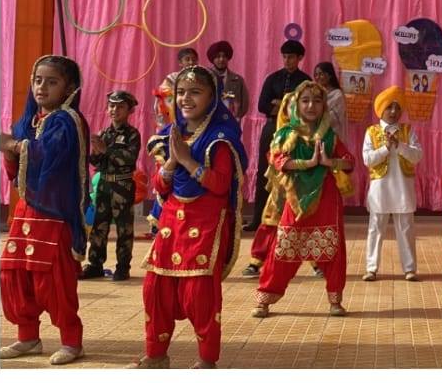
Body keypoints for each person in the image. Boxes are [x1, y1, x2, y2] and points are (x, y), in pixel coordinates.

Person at [135, 65, 247, 368]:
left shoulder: (220, 139)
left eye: (195, 92)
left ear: (212, 97)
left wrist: (187, 160)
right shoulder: (170, 134)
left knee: (199, 295)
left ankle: (207, 361)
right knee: (155, 288)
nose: (185, 99)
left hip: (206, 224)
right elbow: (160, 187)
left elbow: (221, 185)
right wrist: (172, 162)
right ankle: (156, 355)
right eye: (181, 92)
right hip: (171, 223)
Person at [2, 55, 87, 365]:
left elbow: (51, 157)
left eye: (52, 82)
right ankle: (28, 336)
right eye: (38, 80)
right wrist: (11, 152)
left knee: (54, 280)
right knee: (16, 274)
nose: (42, 87)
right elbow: (16, 174)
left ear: (69, 88)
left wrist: (14, 146)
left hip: (54, 212)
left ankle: (71, 341)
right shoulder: (31, 121)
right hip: (26, 211)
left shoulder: (67, 121)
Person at [252, 79, 353, 318]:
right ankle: (264, 298)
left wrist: (329, 162)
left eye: (317, 101)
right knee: (283, 247)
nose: (311, 106)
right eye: (305, 101)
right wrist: (308, 163)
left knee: (333, 249)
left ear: (324, 105)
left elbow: (350, 162)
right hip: (295, 197)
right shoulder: (287, 133)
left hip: (326, 198)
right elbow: (276, 159)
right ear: (296, 105)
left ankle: (335, 300)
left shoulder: (329, 136)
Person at [246, 40, 309, 234]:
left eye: (291, 57)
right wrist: (286, 105)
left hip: (296, 130)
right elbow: (262, 106)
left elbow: (304, 109)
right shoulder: (272, 78)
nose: (287, 60)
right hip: (272, 127)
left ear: (299, 58)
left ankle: (292, 218)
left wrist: (280, 103)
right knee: (264, 170)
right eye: (284, 57)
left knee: (293, 172)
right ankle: (258, 218)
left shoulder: (305, 81)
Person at [362, 85, 421, 282]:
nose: (394, 111)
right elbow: (368, 159)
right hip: (380, 190)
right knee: (375, 228)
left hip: (403, 189)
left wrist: (400, 146)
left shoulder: (407, 130)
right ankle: (371, 268)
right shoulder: (371, 132)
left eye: (397, 107)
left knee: (406, 229)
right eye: (389, 107)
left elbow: (417, 155)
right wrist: (386, 148)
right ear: (381, 109)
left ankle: (410, 269)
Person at [82, 90, 141, 282]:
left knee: (124, 228)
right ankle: (95, 264)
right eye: (111, 106)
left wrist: (106, 150)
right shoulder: (104, 133)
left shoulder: (133, 134)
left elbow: (129, 158)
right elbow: (96, 163)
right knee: (99, 226)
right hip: (104, 184)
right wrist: (95, 150)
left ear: (130, 110)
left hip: (122, 185)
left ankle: (123, 267)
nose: (115, 110)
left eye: (120, 106)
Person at [207, 42, 249, 122]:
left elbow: (244, 103)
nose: (221, 59)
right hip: (209, 122)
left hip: (231, 122)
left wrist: (236, 117)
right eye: (218, 56)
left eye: (224, 56)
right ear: (213, 59)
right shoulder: (205, 78)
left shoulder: (238, 80)